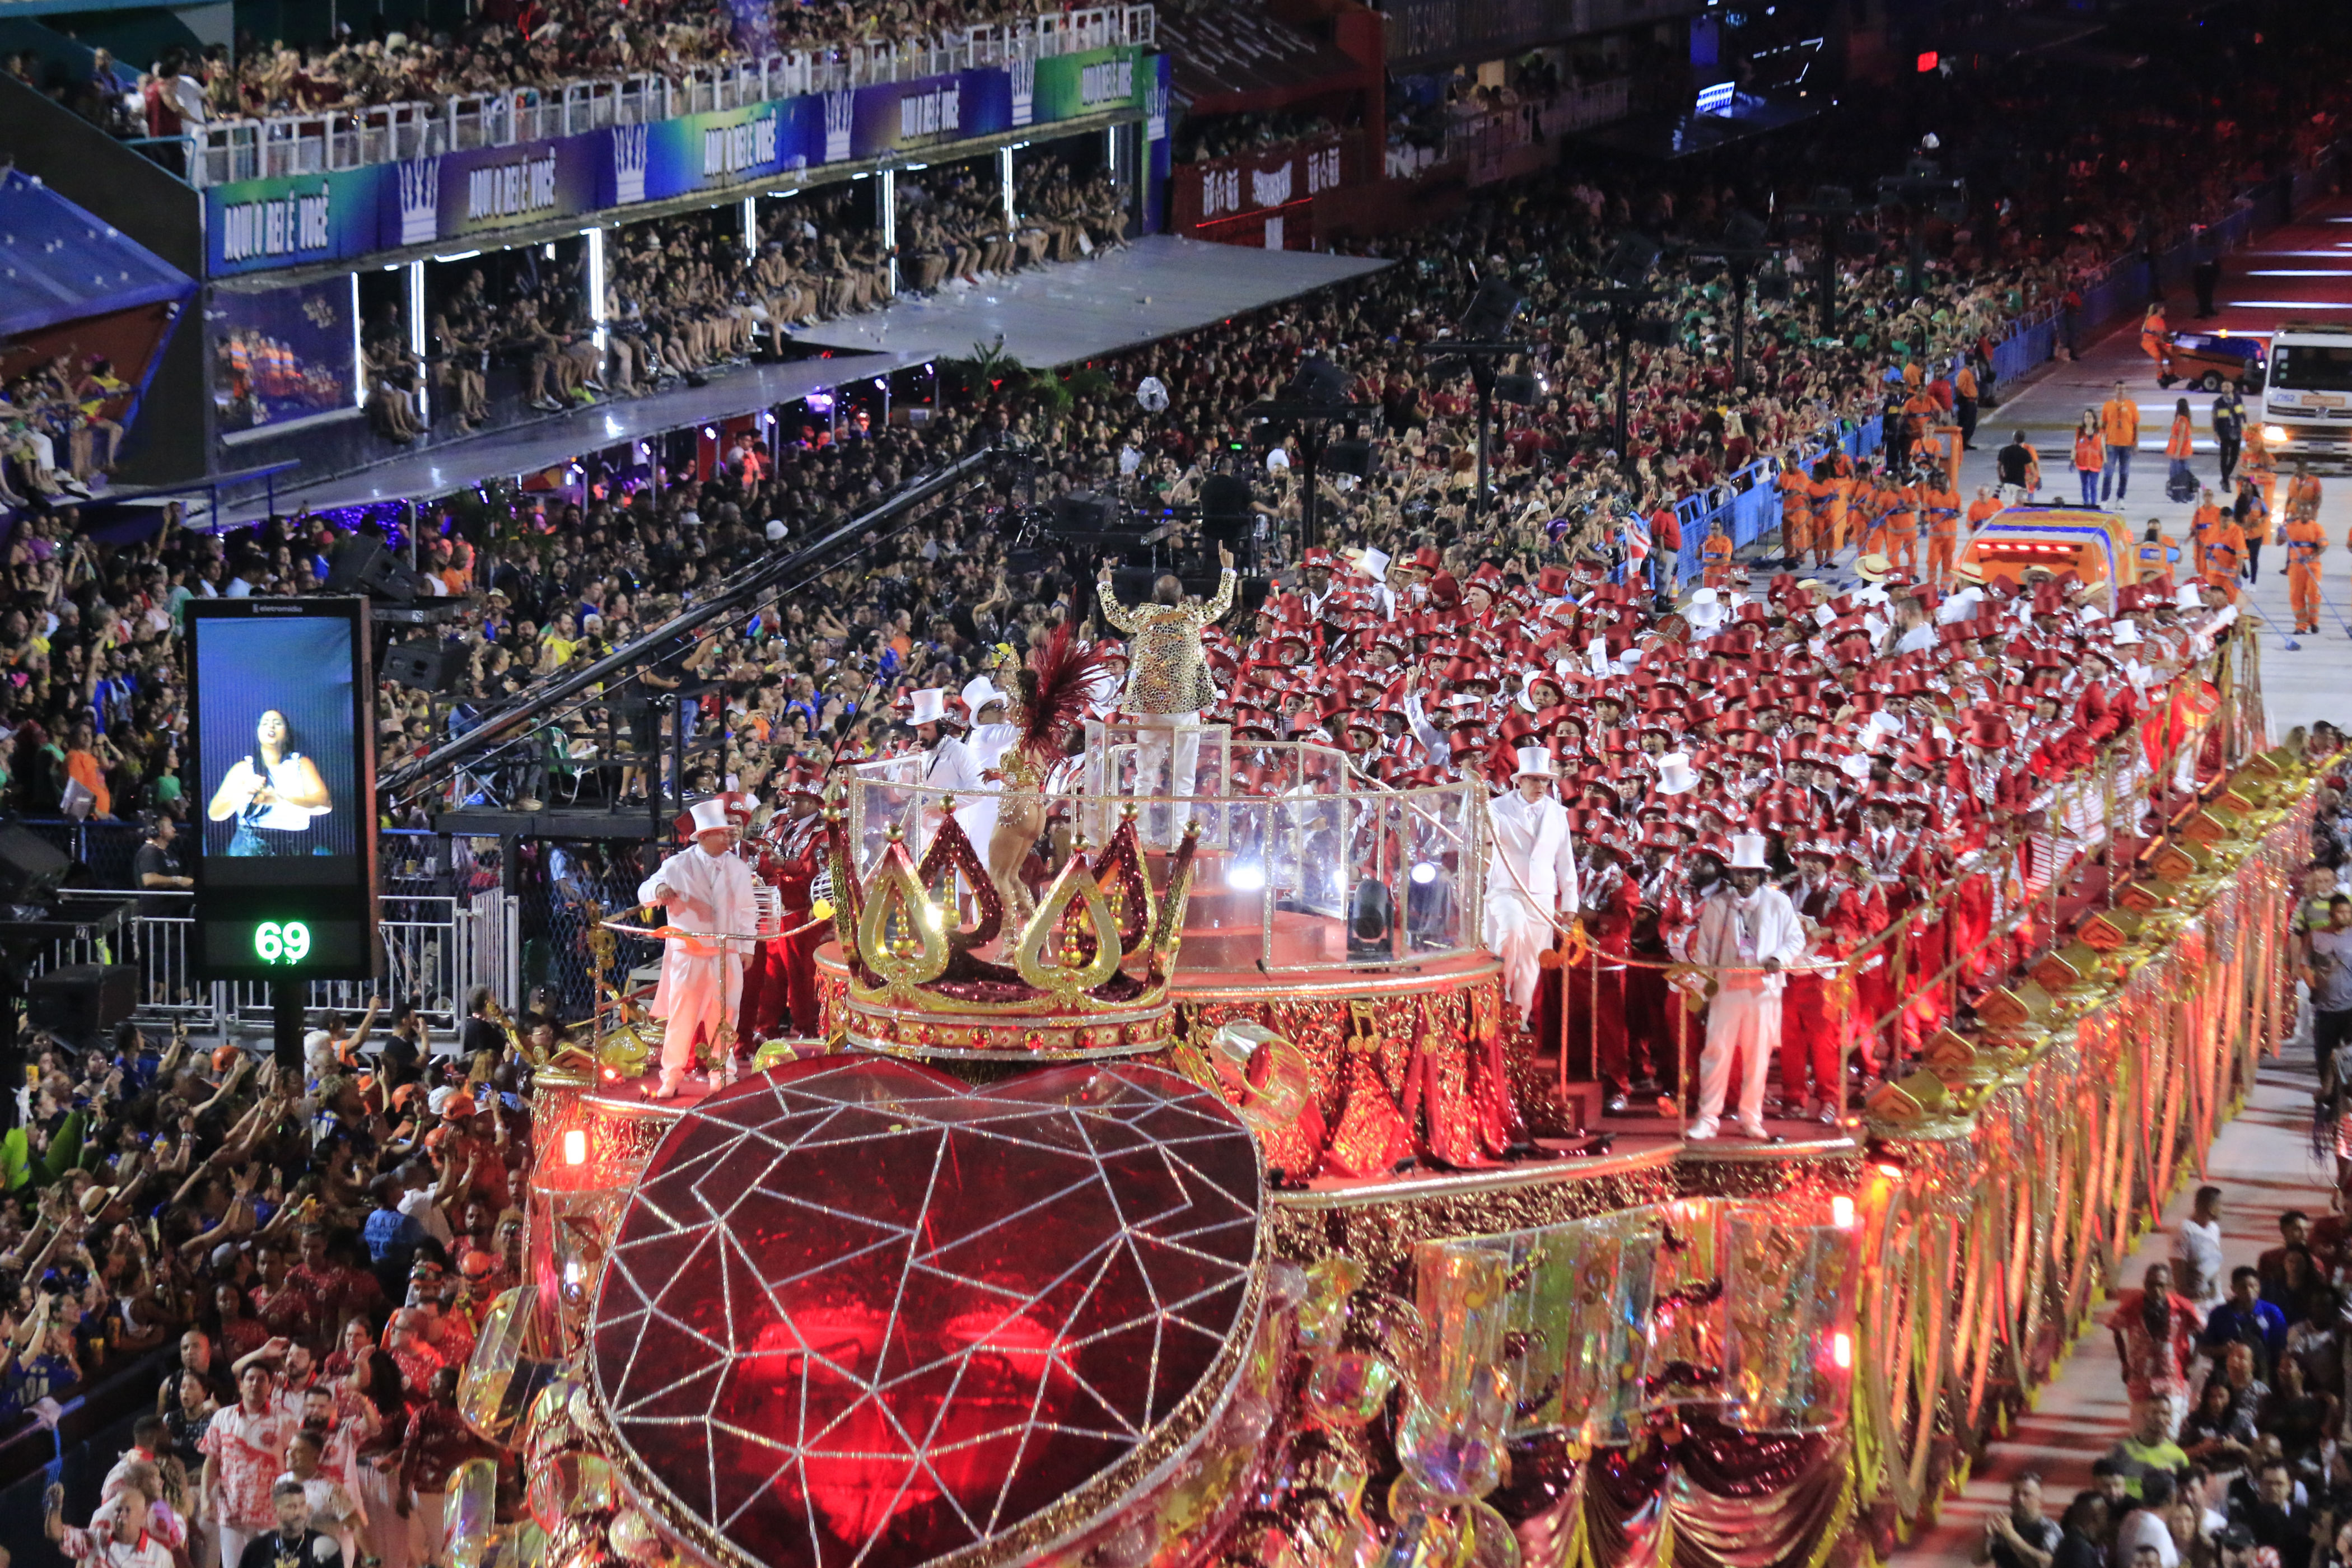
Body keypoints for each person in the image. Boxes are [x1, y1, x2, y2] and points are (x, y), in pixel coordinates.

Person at [1095, 544, 1237, 823]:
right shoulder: (1191, 615)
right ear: (1182, 597)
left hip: (1151, 708)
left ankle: (1139, 834)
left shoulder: (1143, 617)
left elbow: (1114, 616)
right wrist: (1228, 571)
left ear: (1152, 597)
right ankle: (1178, 836)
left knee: (1145, 774)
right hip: (1186, 707)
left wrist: (1105, 587)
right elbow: (1221, 604)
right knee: (1184, 776)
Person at [1680, 832, 1803, 1141]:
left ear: (1762, 875)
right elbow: (1704, 950)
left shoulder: (1779, 902)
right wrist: (1702, 991)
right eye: (1740, 873)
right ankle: (1708, 1118)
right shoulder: (1718, 905)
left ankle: (1751, 1118)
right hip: (1726, 990)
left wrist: (1779, 956)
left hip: (1763, 992)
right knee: (1716, 1054)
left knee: (1757, 1057)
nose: (1745, 879)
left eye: (1751, 873)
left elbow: (1796, 938)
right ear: (1732, 874)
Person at [636, 797, 760, 1098]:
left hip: (726, 951)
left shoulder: (738, 868)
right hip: (688, 954)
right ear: (704, 836)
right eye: (721, 831)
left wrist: (748, 948)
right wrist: (657, 890)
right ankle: (672, 1076)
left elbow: (747, 910)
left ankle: (723, 1074)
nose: (728, 835)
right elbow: (644, 892)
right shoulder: (677, 864)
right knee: (682, 1017)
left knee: (726, 1015)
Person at [1483, 746, 1579, 1026]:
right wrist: (1479, 811)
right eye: (1534, 779)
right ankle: (1497, 999)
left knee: (1532, 962)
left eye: (1545, 780)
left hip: (1542, 895)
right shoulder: (1497, 807)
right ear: (1520, 780)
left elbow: (1565, 861)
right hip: (1506, 889)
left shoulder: (1558, 813)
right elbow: (1485, 837)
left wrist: (1570, 905)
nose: (1540, 786)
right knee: (1511, 933)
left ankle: (1518, 1021)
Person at [204, 710, 331, 856]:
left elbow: (324, 805)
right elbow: (215, 814)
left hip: (296, 844)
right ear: (258, 732)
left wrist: (281, 798)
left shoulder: (301, 764)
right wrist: (243, 792)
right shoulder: (244, 768)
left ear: (286, 732)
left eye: (277, 723)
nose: (271, 726)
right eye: (265, 723)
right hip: (250, 846)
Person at [2108, 1264, 2204, 1435]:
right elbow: (2116, 1329)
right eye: (2152, 1284)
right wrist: (2124, 1363)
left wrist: (2192, 1362)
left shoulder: (2182, 1307)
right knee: (2139, 1430)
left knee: (2172, 1429)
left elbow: (2202, 1331)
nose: (2156, 1289)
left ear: (2169, 1286)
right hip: (2141, 1376)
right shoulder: (2132, 1306)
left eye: (2161, 1285)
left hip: (2173, 1377)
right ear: (2145, 1284)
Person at [2203, 1267, 2289, 1381]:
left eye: (2253, 1286)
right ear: (2233, 1289)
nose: (2249, 1291)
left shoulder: (2272, 1312)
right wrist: (2223, 1350)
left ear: (2259, 1288)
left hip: (2267, 1373)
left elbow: (2282, 1348)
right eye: (2243, 1287)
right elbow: (2204, 1348)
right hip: (2229, 1374)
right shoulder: (2219, 1314)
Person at [236, 1480, 341, 1568]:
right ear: (276, 1510)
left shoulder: (326, 1546)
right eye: (291, 1507)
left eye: (302, 1505)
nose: (298, 1512)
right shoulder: (257, 1549)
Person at [2308, 895, 2352, 1082]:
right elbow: (2305, 966)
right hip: (2325, 1009)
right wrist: (2313, 987)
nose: (2346, 915)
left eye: (2348, 912)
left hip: (2350, 1007)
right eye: (2341, 912)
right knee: (2324, 1056)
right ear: (2331, 914)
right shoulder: (2316, 936)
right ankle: (2328, 1090)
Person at [1977, 1474, 2064, 1568]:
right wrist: (1987, 1539)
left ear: (2040, 1500)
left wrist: (2012, 1536)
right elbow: (1979, 1560)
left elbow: (2045, 1565)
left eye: (2027, 1495)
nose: (2020, 1499)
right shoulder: (2005, 1525)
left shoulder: (2050, 1530)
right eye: (2016, 1494)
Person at [2177, 1185, 2226, 1309]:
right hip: (2196, 1304)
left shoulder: (2214, 1228)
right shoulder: (2185, 1231)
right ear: (2211, 1208)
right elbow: (2179, 1275)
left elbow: (2213, 1264)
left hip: (2215, 1300)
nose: (2222, 1209)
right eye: (2220, 1204)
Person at [2102, 382, 2141, 502]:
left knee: (2124, 473)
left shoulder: (2131, 405)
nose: (2121, 391)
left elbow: (2136, 425)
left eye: (2123, 389)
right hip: (2111, 444)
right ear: (2115, 390)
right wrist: (2102, 443)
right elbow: (2103, 425)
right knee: (2108, 472)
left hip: (2127, 444)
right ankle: (2104, 499)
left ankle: (2121, 498)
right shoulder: (2108, 406)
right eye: (2119, 389)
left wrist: (2136, 442)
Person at [2212, 385, 2247, 488]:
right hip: (2224, 432)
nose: (2225, 388)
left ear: (2232, 388)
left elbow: (2243, 413)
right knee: (2224, 458)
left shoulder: (2238, 399)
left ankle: (2224, 478)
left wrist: (2246, 425)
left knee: (2234, 458)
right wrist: (2216, 433)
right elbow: (2215, 419)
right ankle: (2226, 483)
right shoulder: (2218, 403)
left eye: (2228, 386)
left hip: (2236, 431)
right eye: (2223, 386)